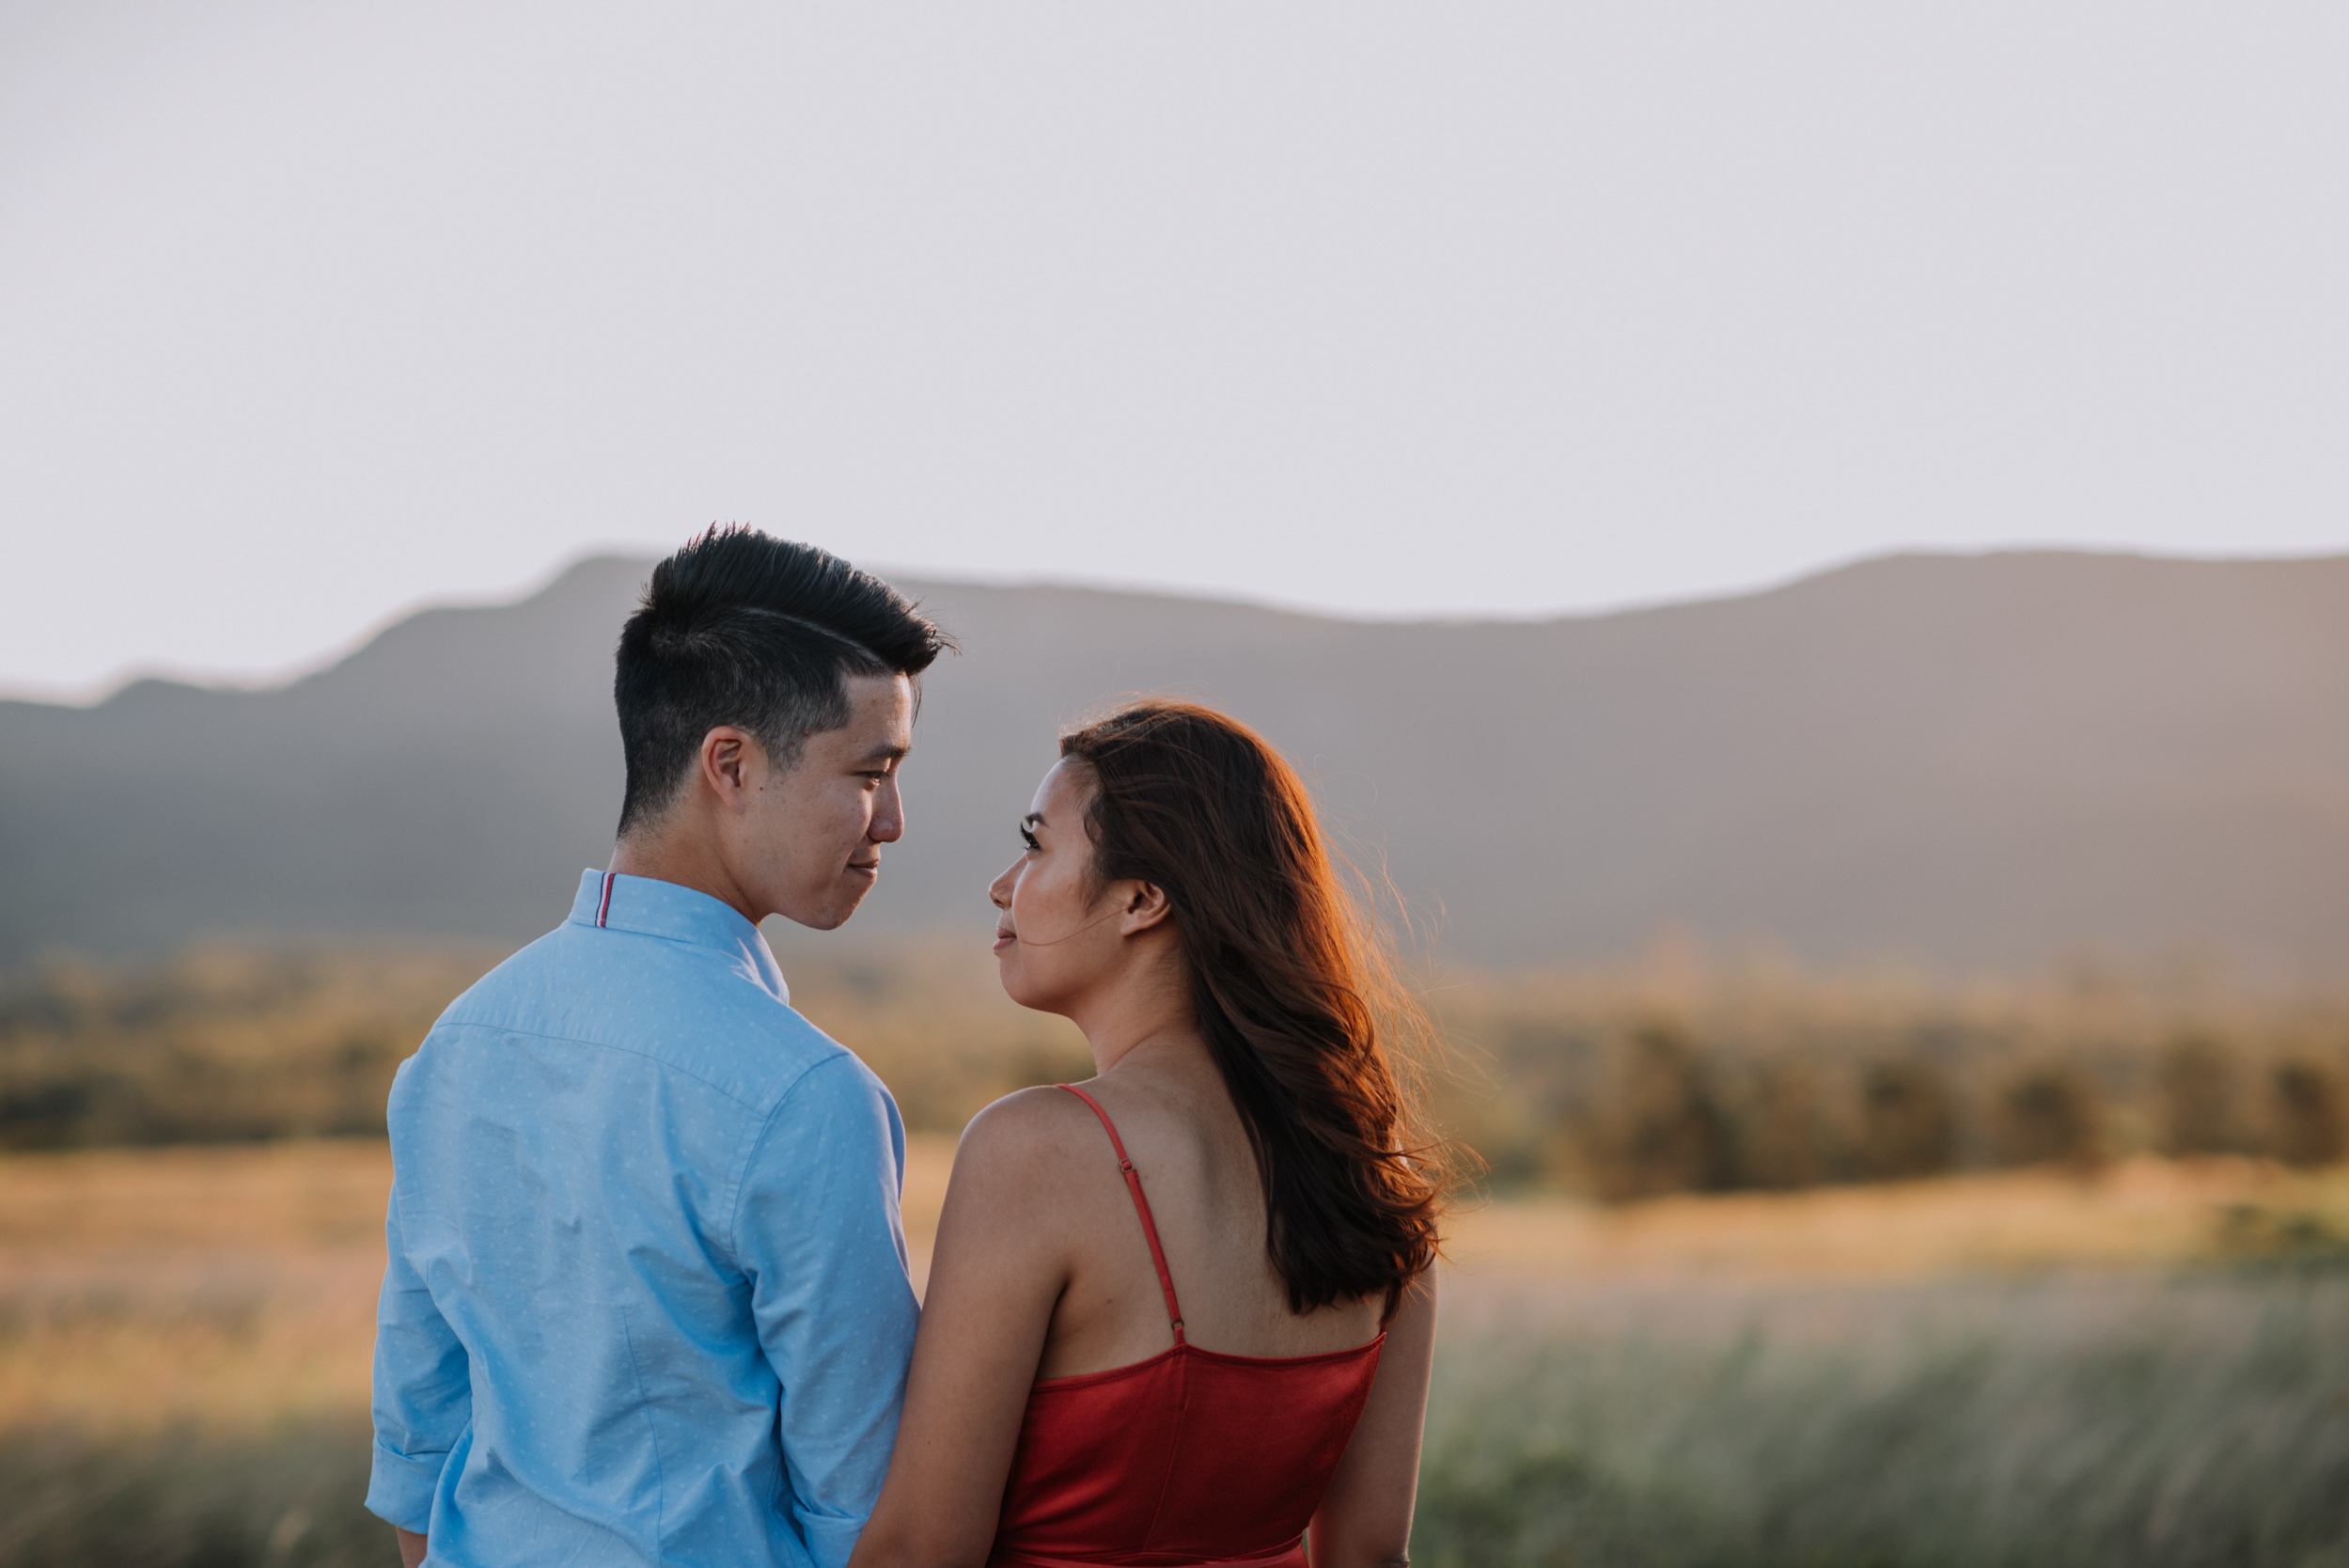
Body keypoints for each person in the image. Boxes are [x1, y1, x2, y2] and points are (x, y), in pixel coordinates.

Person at [367, 527, 950, 1568]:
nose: (893, 821)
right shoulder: (804, 1095)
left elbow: (418, 1442)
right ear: (731, 763)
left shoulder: (453, 1047)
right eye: (872, 771)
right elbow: (866, 1507)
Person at [848, 700, 1449, 1568]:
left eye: (1035, 844)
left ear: (1141, 899)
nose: (1002, 885)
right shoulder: (1371, 1172)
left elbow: (923, 1550)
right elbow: (1368, 1557)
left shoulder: (1037, 1151)